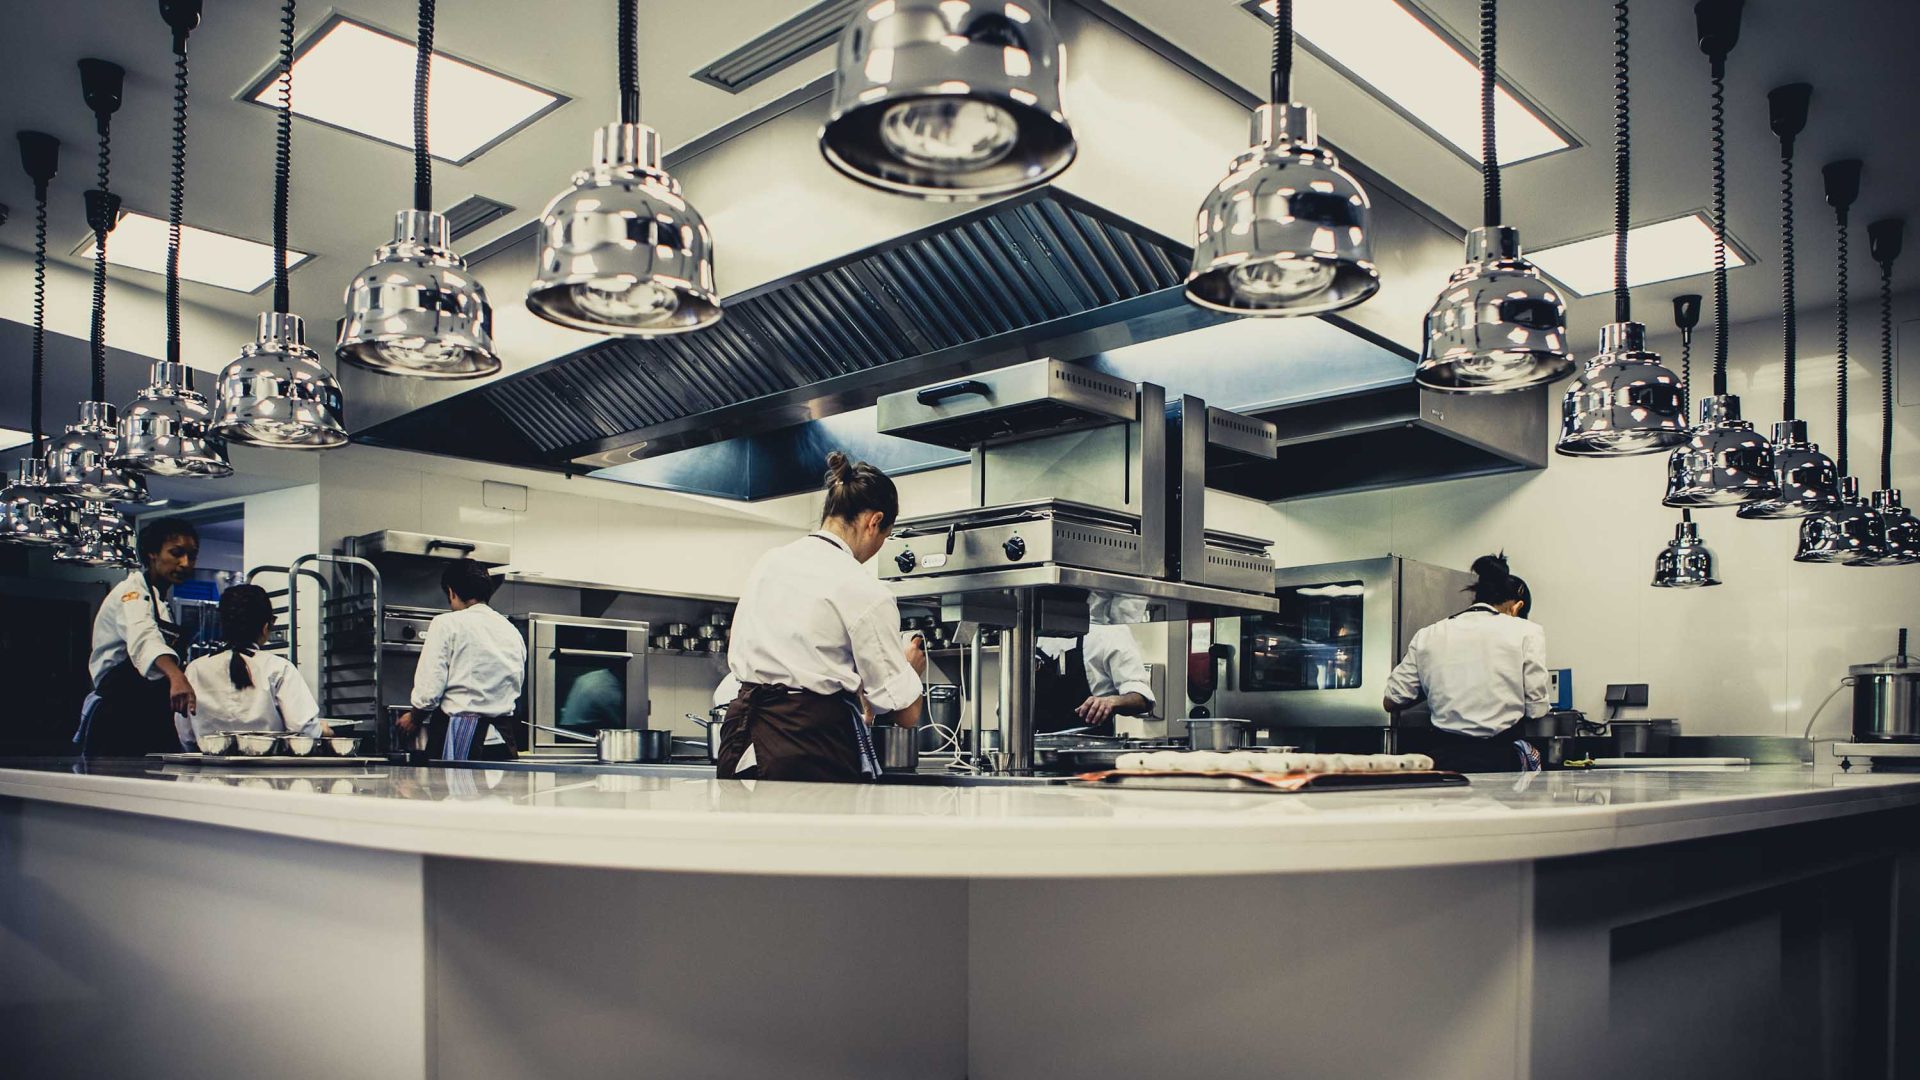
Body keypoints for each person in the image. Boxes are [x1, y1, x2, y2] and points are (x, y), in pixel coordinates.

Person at [717, 452, 927, 782]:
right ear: (874, 522)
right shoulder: (863, 589)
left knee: (747, 833)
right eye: (885, 537)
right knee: (809, 835)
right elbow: (906, 714)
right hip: (804, 747)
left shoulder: (770, 563)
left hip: (741, 735)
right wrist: (910, 669)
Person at [1383, 554, 1547, 773]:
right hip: (1500, 761)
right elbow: (1536, 708)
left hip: (1443, 760)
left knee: (1451, 806)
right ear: (1515, 607)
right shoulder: (1527, 631)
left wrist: (1431, 684)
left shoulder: (1429, 634)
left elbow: (1391, 700)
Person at [78, 517, 200, 757]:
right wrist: (176, 675)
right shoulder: (131, 593)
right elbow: (143, 635)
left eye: (192, 555)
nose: (185, 563)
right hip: (118, 714)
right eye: (176, 553)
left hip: (151, 713)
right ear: (152, 553)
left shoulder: (162, 602)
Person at [396, 560, 525, 762]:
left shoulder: (447, 623)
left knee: (454, 792)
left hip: (463, 736)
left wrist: (414, 718)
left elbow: (430, 688)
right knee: (505, 793)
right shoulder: (510, 630)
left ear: (451, 592)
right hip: (503, 739)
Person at [182, 584, 325, 744]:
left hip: (208, 767)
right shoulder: (278, 668)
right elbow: (304, 731)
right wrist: (322, 730)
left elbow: (186, 734)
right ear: (265, 627)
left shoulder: (195, 669)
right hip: (268, 767)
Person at [1034, 593, 1156, 734]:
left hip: (1086, 748)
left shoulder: (1108, 633)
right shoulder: (1037, 633)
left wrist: (1111, 702)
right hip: (1036, 746)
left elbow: (1142, 698)